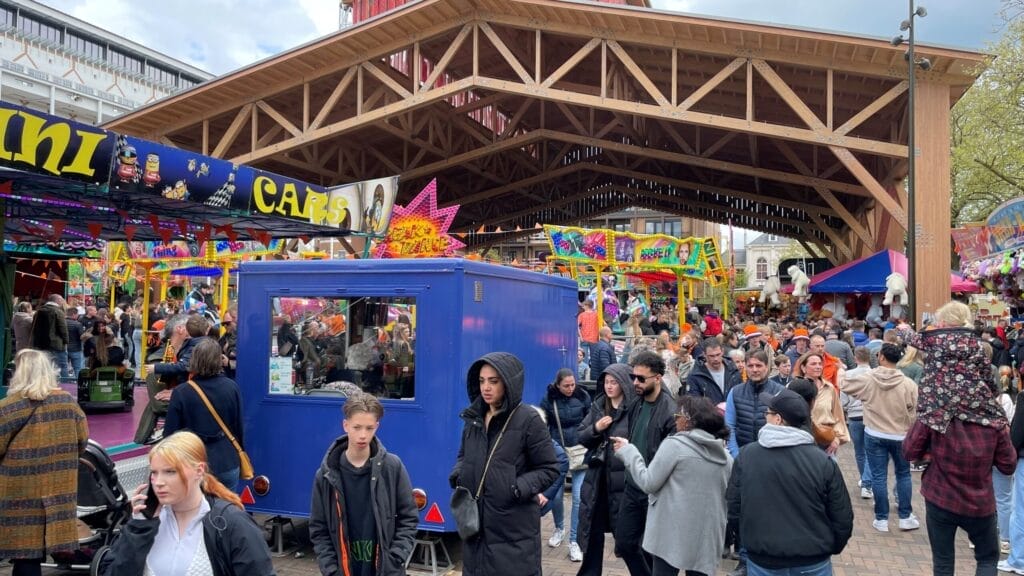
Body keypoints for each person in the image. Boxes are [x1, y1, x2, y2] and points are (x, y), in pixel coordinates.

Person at [97, 431, 276, 576]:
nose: (158, 482)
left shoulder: (231, 523)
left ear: (199, 471)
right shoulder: (144, 523)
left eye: (170, 472)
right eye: (154, 473)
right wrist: (138, 529)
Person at [449, 352, 559, 576]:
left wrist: (517, 488)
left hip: (513, 528)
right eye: (481, 381)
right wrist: (459, 475)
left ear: (509, 382)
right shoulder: (474, 418)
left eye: (493, 381)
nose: (486, 387)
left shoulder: (528, 419)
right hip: (476, 526)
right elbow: (464, 454)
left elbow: (549, 468)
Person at [728, 388, 853, 576]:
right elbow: (842, 516)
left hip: (765, 559)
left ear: (778, 419)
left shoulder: (747, 456)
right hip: (812, 558)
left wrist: (749, 541)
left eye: (768, 413)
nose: (765, 416)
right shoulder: (822, 462)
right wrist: (829, 546)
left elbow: (734, 508)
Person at [612, 395, 732, 576]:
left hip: (671, 533)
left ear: (689, 421)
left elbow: (648, 483)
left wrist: (629, 451)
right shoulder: (726, 457)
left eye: (678, 415)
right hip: (706, 536)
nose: (675, 419)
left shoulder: (674, 446)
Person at [309, 392, 419, 576]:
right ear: (345, 425)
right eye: (357, 427)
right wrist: (331, 569)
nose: (362, 435)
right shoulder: (326, 475)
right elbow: (318, 528)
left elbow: (409, 518)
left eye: (369, 428)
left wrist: (395, 558)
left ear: (377, 426)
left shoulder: (392, 467)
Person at [0, 349, 89, 576]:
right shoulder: (67, 403)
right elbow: (82, 440)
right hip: (57, 488)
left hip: (17, 492)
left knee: (25, 553)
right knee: (36, 550)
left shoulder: (8, 408)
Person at [842, 343, 919, 533]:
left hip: (875, 432)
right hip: (900, 434)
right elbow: (915, 410)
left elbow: (845, 386)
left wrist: (840, 371)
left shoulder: (869, 379)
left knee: (878, 476)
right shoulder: (908, 384)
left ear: (881, 357)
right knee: (903, 474)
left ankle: (881, 518)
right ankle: (905, 516)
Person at [615, 351, 677, 576]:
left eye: (641, 378)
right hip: (632, 486)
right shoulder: (636, 402)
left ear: (658, 378)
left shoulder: (671, 411)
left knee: (653, 549)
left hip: (655, 491)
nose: (635, 382)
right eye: (634, 377)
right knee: (624, 543)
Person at [575, 363, 637, 576]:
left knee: (628, 538)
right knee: (593, 530)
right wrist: (596, 428)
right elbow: (581, 436)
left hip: (623, 481)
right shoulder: (599, 404)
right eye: (607, 382)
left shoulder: (634, 407)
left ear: (624, 384)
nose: (609, 387)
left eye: (614, 382)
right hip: (598, 479)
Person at [162, 338, 246, 491]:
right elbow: (239, 427)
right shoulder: (232, 388)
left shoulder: (182, 392)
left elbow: (170, 435)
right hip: (226, 460)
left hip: (193, 462)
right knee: (226, 510)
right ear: (218, 360)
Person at [540, 368, 592, 561]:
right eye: (566, 386)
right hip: (559, 453)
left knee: (578, 497)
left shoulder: (583, 396)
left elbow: (590, 419)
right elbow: (543, 427)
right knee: (556, 496)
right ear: (557, 385)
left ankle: (574, 541)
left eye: (573, 384)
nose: (571, 388)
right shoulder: (549, 399)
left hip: (580, 452)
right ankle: (559, 528)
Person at [793, 352, 849, 455]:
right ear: (803, 367)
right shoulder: (794, 387)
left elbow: (838, 415)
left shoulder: (829, 388)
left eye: (820, 364)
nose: (818, 367)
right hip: (800, 441)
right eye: (813, 364)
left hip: (826, 442)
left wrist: (837, 439)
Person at [842, 346, 873, 499]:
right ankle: (867, 482)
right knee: (871, 451)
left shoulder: (848, 375)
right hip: (871, 416)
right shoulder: (875, 375)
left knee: (859, 451)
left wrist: (848, 407)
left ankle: (865, 480)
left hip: (854, 416)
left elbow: (843, 398)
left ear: (855, 358)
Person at [686, 338, 742, 405]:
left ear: (722, 352)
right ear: (704, 354)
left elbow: (741, 397)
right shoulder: (695, 376)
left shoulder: (733, 371)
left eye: (718, 354)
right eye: (711, 356)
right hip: (708, 414)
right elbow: (693, 404)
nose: (716, 359)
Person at [29, 294, 69, 377]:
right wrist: (66, 341)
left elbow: (33, 328)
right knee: (61, 366)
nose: (62, 302)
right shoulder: (58, 311)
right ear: (57, 300)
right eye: (61, 300)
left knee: (44, 367)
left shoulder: (38, 311)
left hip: (40, 344)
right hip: (56, 345)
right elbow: (63, 329)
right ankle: (64, 384)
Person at [579, 300, 600, 364]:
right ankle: (593, 370)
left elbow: (576, 326)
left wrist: (580, 336)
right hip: (594, 338)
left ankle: (586, 371)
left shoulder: (581, 315)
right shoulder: (596, 315)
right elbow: (604, 324)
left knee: (584, 357)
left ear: (587, 306)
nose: (583, 307)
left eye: (584, 306)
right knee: (594, 357)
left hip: (584, 338)